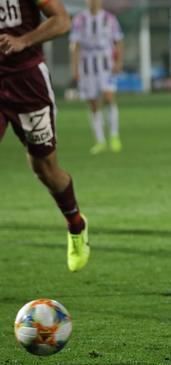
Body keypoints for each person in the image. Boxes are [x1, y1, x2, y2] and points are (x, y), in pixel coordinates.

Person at [0, 0, 90, 272]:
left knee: (45, 169)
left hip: (27, 83)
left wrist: (22, 41)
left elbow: (62, 20)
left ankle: (76, 224)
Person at [70, 0, 124, 154]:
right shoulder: (79, 19)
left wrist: (119, 61)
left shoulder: (110, 19)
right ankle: (100, 141)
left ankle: (114, 136)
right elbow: (75, 46)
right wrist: (75, 69)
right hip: (87, 66)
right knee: (93, 103)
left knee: (109, 97)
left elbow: (118, 41)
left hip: (106, 65)